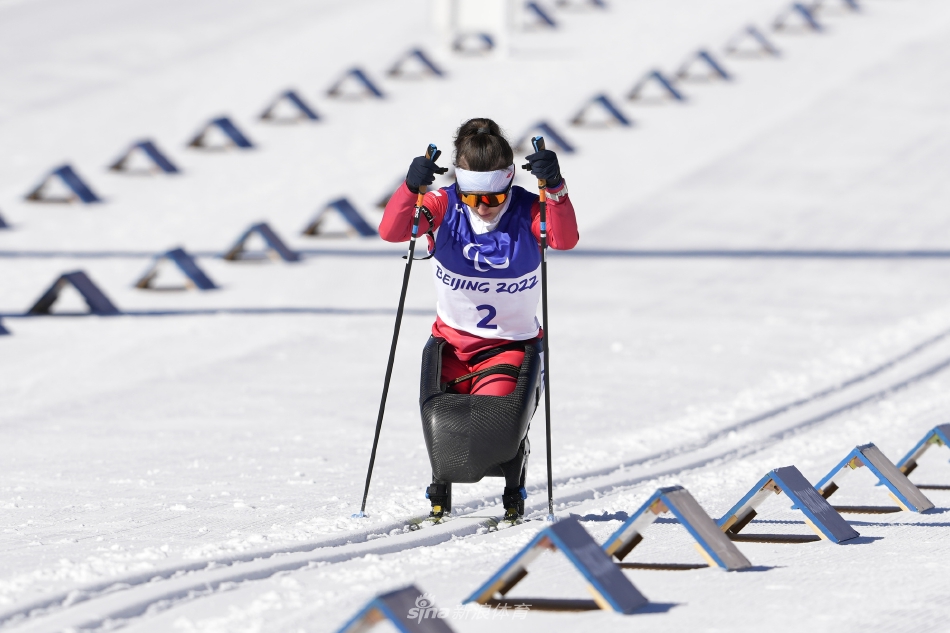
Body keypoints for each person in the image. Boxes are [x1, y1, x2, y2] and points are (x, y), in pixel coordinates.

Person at [379, 118, 578, 521]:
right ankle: (441, 488)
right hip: (451, 344)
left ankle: (513, 469)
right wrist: (410, 189)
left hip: (508, 346)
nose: (484, 209)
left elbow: (564, 239)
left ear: (509, 183)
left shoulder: (526, 209)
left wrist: (555, 190)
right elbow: (393, 231)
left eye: (493, 199)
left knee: (492, 431)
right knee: (443, 429)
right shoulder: (443, 205)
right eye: (473, 199)